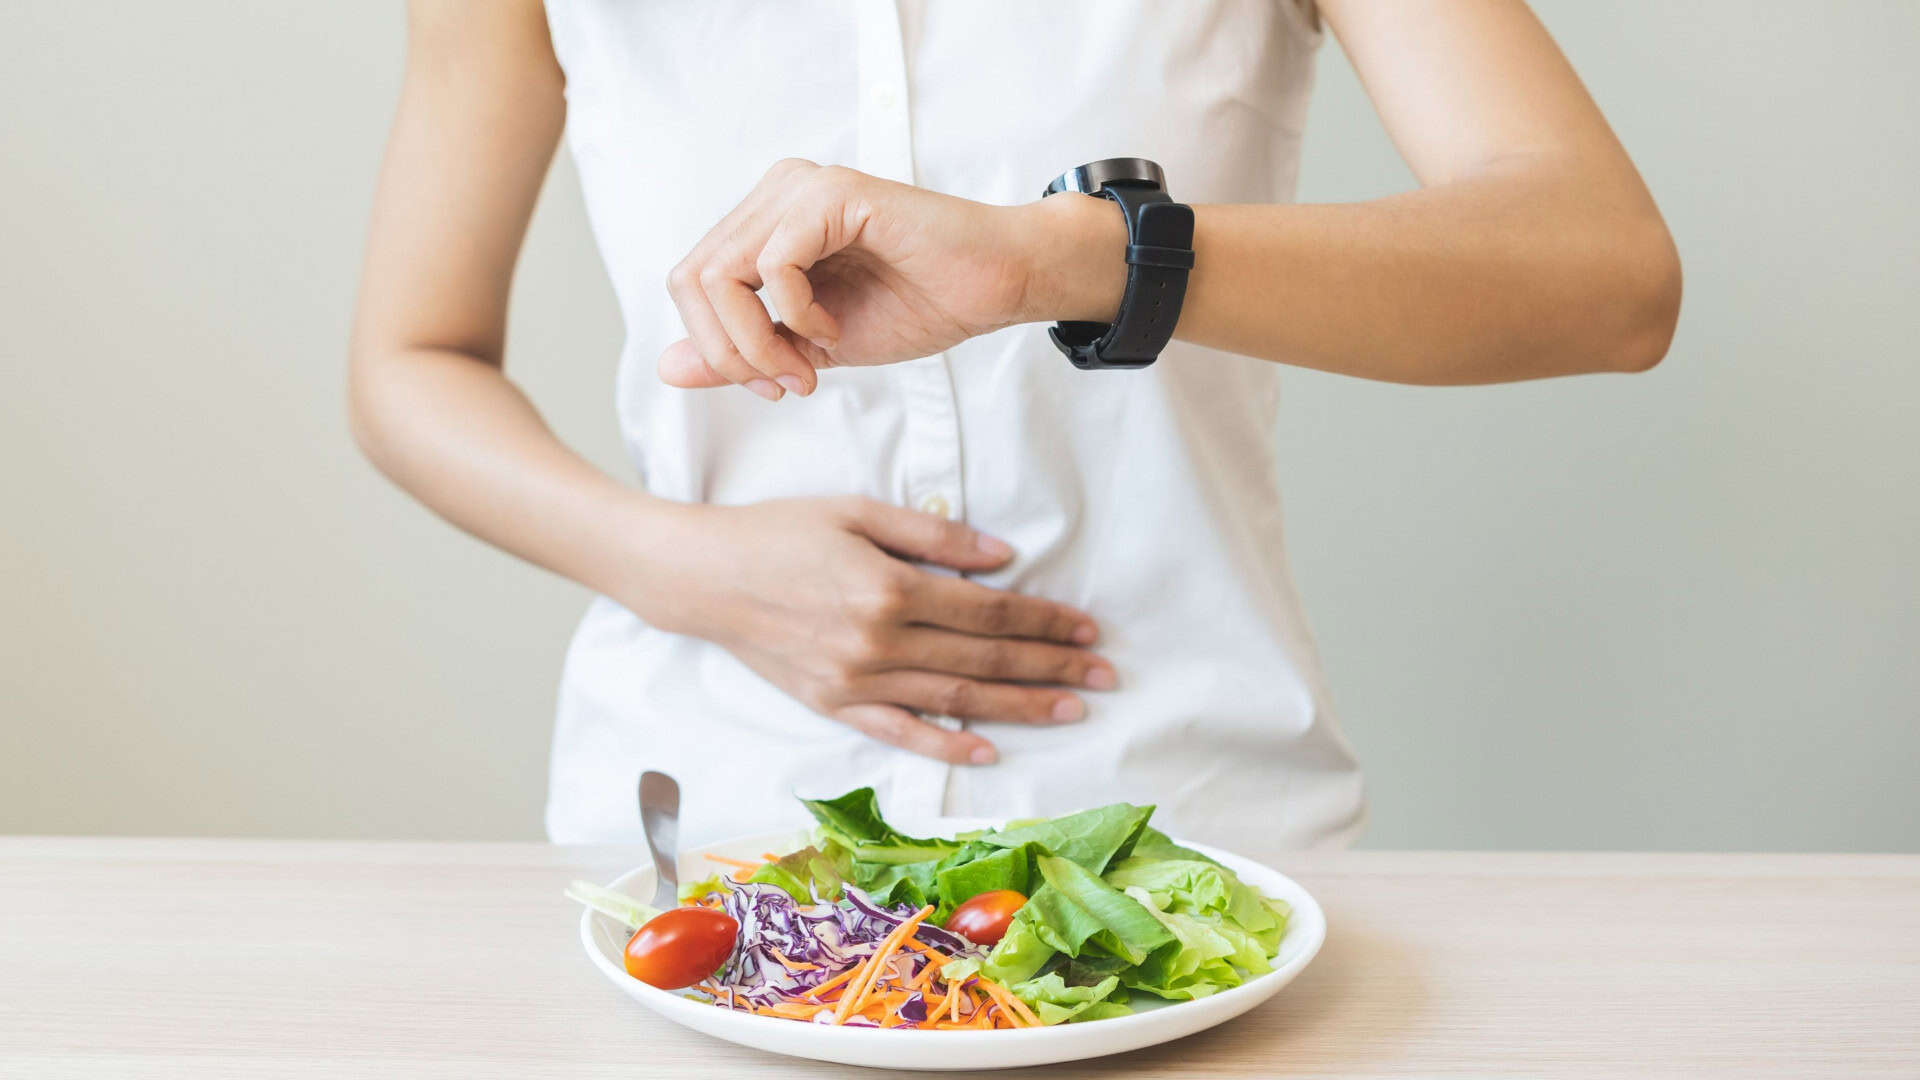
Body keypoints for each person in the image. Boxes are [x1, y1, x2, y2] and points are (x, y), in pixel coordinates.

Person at [348, 1, 1680, 850]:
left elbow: (1603, 274)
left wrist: (1063, 259)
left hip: (1186, 821)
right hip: (703, 824)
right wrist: (682, 568)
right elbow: (408, 362)